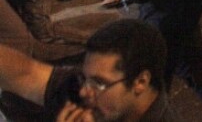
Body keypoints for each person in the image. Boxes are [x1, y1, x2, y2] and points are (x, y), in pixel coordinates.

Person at [0, 19, 178, 121]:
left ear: (140, 82)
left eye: (99, 83)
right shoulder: (95, 95)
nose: (84, 91)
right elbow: (27, 74)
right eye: (85, 78)